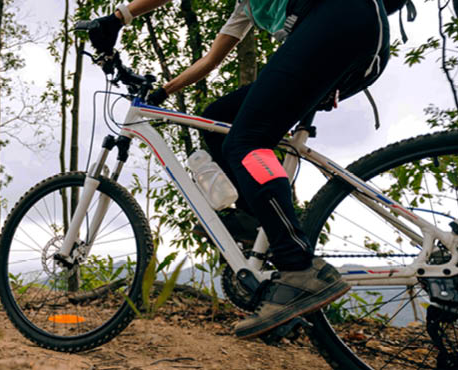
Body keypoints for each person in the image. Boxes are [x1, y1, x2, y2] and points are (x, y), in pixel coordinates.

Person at [84, 0, 402, 339]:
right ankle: (256, 226)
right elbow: (211, 60)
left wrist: (121, 17)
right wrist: (162, 92)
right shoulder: (246, 8)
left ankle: (298, 267)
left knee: (246, 142)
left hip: (340, 18)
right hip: (350, 39)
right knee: (215, 119)